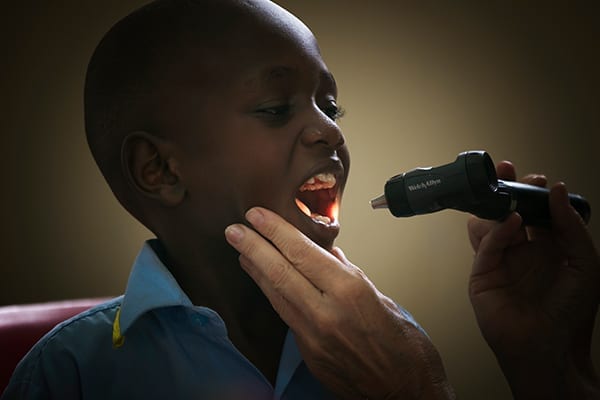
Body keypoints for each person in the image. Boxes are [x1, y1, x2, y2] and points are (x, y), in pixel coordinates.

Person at [2, 0, 599, 399]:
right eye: (274, 109)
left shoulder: (389, 345)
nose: (330, 132)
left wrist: (549, 372)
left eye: (330, 106)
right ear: (158, 169)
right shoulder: (71, 375)